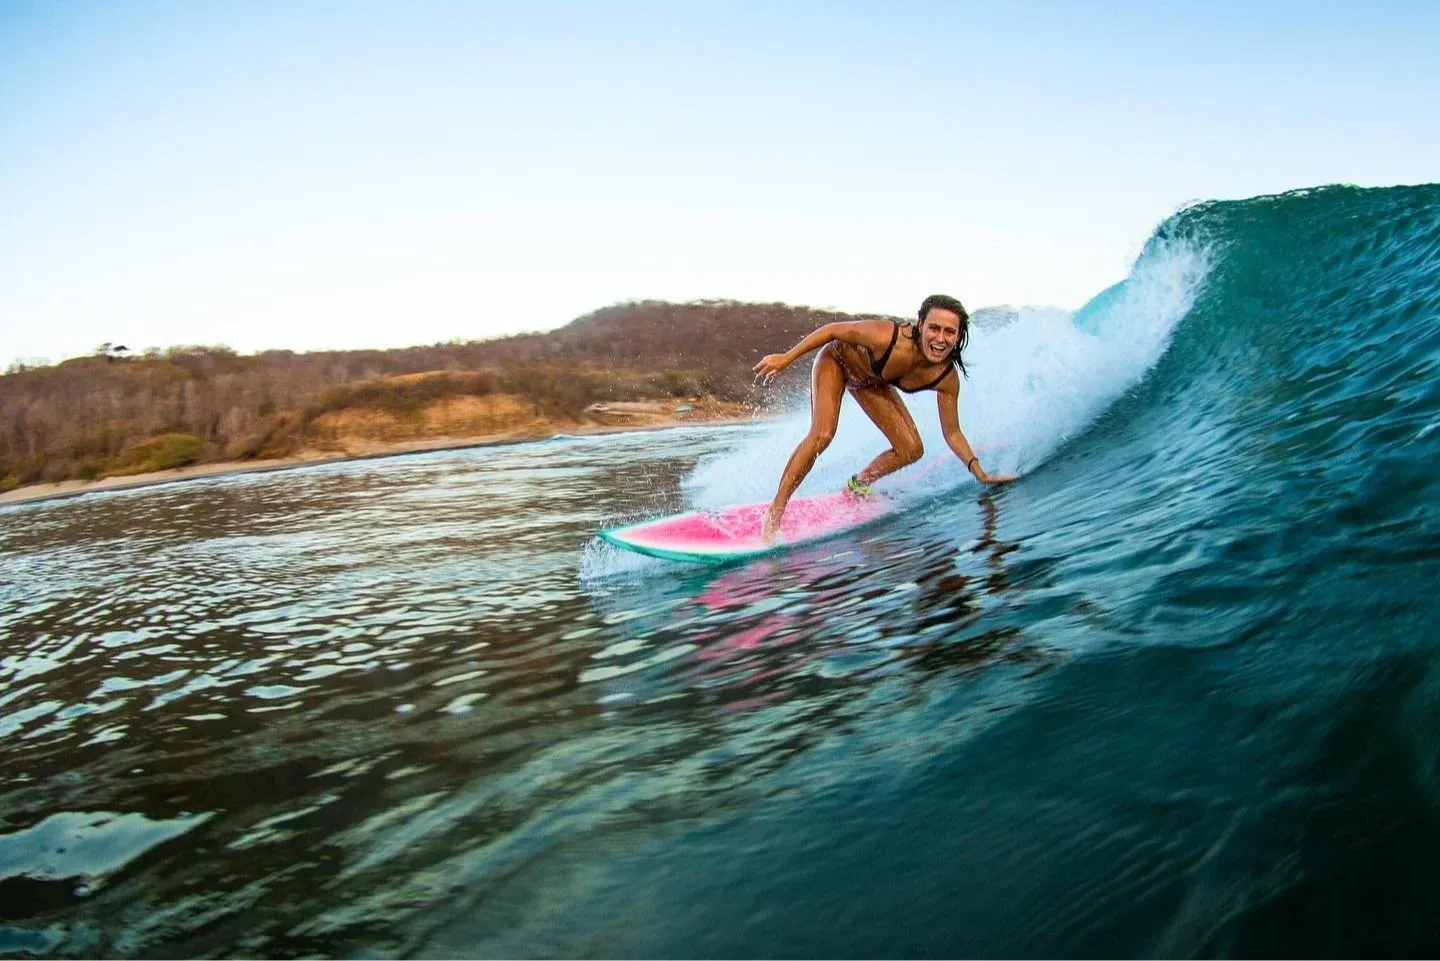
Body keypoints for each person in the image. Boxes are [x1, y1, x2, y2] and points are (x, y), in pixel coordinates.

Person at [752, 294, 1017, 543]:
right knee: (823, 434)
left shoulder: (946, 378)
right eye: (934, 328)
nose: (940, 338)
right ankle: (775, 513)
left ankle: (858, 485)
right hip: (837, 361)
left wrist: (979, 473)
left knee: (911, 449)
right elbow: (832, 330)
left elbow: (953, 433)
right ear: (921, 325)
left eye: (950, 332)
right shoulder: (888, 337)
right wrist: (786, 358)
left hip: (870, 383)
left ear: (958, 336)